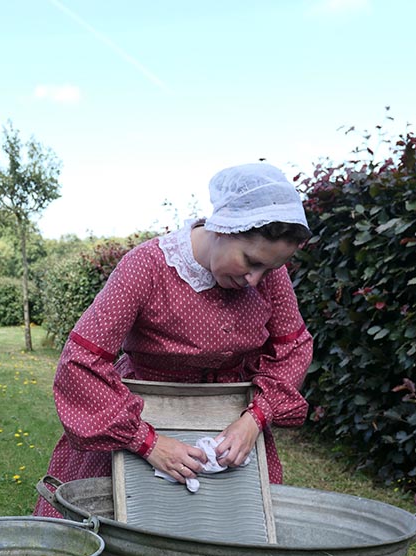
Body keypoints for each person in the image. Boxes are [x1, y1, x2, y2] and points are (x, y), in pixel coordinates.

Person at [34, 162, 313, 517]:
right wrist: (146, 442)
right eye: (250, 261)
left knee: (229, 534)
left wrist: (254, 419)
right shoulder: (147, 267)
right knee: (116, 532)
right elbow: (81, 361)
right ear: (222, 228)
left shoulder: (268, 277)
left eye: (269, 269)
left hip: (230, 422)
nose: (256, 280)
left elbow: (293, 348)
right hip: (145, 418)